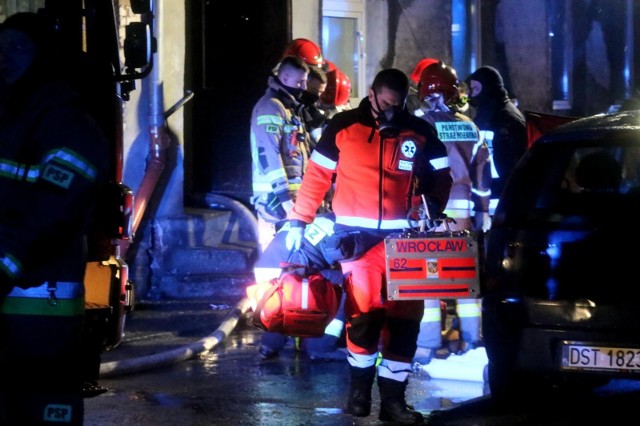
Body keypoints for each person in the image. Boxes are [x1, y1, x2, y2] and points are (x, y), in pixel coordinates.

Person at [285, 68, 453, 424]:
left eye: (398, 105)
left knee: (405, 320)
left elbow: (442, 173)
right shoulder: (344, 127)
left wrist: (435, 204)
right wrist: (300, 219)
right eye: (386, 104)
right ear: (373, 95)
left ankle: (394, 402)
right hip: (357, 242)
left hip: (405, 242)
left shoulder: (420, 131)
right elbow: (316, 175)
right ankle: (359, 394)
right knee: (363, 317)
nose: (391, 112)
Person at [0, 12, 110, 425]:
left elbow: (53, 209)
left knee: (42, 400)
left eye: (17, 49)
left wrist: (5, 262)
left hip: (40, 294)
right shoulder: (8, 115)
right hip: (12, 282)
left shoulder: (68, 124)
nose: (4, 59)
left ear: (43, 57)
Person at [412, 61, 493, 364]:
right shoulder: (470, 126)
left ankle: (427, 344)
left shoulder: (417, 124)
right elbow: (483, 175)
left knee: (427, 278)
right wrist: (484, 211)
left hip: (428, 214)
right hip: (462, 214)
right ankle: (473, 341)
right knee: (464, 277)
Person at [253, 213, 347, 361]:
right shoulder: (342, 226)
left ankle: (270, 344)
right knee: (347, 283)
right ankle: (320, 346)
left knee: (284, 302)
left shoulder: (315, 218)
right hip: (289, 272)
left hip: (266, 272)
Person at [250, 55, 311, 254]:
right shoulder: (271, 107)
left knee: (290, 261)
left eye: (305, 81)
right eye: (299, 81)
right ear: (284, 78)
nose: (303, 87)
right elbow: (268, 154)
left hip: (290, 201)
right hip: (274, 201)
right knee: (272, 260)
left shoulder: (289, 109)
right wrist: (285, 199)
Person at [465, 66, 527, 214]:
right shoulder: (488, 112)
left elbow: (516, 158)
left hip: (501, 195)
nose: (472, 94)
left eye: (475, 89)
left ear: (487, 87)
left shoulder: (507, 117)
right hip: (488, 192)